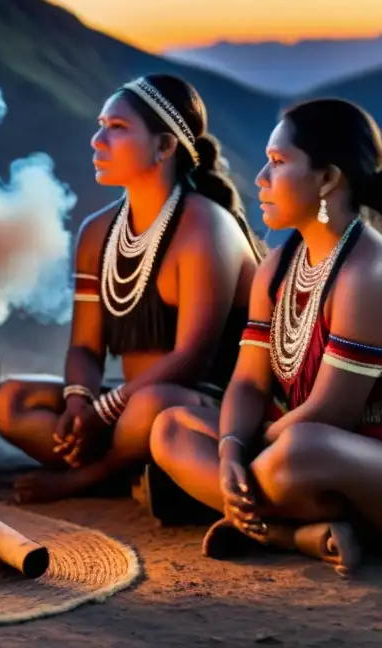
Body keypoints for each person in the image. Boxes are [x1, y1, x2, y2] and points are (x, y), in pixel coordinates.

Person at [0, 74, 262, 504]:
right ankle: (135, 468)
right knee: (11, 400)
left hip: (198, 409)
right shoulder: (97, 233)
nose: (98, 139)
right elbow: (84, 347)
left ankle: (92, 478)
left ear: (165, 146)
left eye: (117, 128)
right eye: (101, 125)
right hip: (123, 409)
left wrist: (103, 412)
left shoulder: (206, 228)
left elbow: (191, 359)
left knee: (149, 407)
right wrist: (80, 403)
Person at [149, 98, 382, 575]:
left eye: (277, 162)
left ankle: (266, 520)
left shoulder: (367, 273)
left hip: (351, 455)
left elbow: (329, 415)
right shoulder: (277, 267)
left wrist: (237, 459)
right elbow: (249, 383)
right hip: (288, 450)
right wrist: (231, 448)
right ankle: (298, 534)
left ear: (327, 179)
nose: (260, 177)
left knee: (297, 453)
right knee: (169, 427)